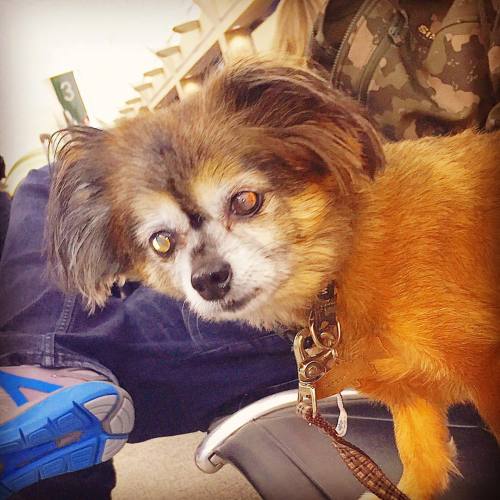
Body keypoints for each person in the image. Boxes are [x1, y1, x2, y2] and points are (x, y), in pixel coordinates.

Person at [1, 0, 498, 498]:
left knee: (84, 384)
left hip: (363, 233)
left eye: (243, 202)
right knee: (49, 185)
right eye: (163, 241)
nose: (204, 267)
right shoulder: (340, 16)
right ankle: (49, 372)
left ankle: (44, 372)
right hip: (288, 304)